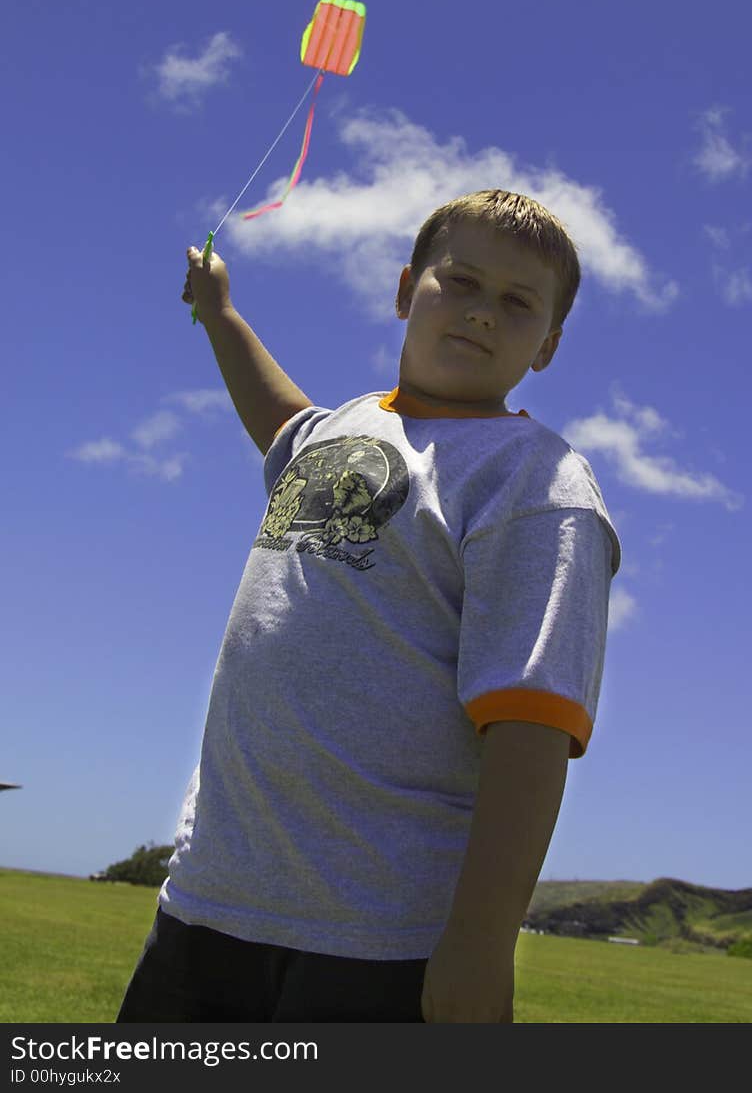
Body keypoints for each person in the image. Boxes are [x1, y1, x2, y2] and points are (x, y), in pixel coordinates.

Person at [117, 189, 621, 1024]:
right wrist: (219, 313)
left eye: (517, 302)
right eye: (459, 282)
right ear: (402, 291)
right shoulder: (339, 432)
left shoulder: (533, 480)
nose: (483, 313)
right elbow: (280, 416)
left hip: (377, 939)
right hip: (207, 899)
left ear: (549, 345)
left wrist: (481, 947)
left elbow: (532, 727)